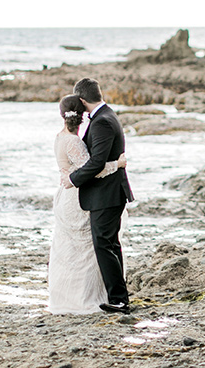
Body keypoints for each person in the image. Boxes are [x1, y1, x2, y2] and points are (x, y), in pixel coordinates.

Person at [47, 94, 126, 315]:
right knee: (86, 251)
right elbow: (92, 169)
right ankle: (85, 298)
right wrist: (116, 164)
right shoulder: (73, 141)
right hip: (77, 196)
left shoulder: (60, 137)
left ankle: (69, 297)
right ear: (82, 115)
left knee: (70, 250)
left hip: (65, 195)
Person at [65, 77, 134, 314]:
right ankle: (118, 297)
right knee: (110, 244)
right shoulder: (107, 116)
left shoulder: (103, 121)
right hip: (109, 193)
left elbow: (97, 163)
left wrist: (72, 180)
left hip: (107, 194)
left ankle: (118, 299)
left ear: (82, 100)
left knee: (104, 244)